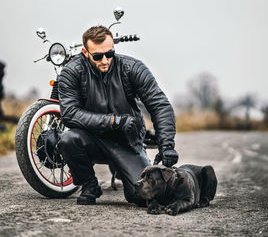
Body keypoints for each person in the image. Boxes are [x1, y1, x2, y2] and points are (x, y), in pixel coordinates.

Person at [58, 25, 178, 205]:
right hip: (91, 139)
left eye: (110, 53)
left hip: (127, 142)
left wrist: (167, 144)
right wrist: (114, 121)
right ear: (85, 52)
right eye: (98, 56)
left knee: (140, 197)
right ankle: (89, 184)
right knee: (68, 139)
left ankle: (125, 171)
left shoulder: (132, 68)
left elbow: (159, 104)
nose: (105, 60)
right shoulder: (71, 71)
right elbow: (69, 113)